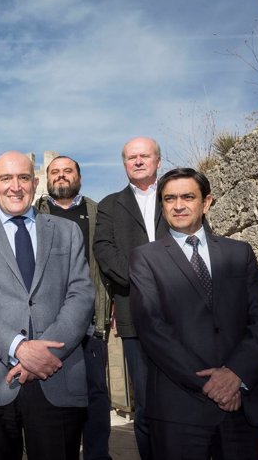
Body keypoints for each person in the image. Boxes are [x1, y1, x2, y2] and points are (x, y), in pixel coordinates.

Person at [0, 151, 95, 460]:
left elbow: (81, 296)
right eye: (6, 178)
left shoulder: (66, 232)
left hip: (56, 377)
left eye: (22, 178)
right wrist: (18, 347)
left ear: (35, 182)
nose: (15, 187)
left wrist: (44, 353)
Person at [129, 168, 258, 459]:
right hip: (179, 409)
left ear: (206, 202)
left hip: (242, 405)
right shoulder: (145, 259)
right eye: (169, 198)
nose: (178, 205)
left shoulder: (239, 253)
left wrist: (236, 375)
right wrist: (214, 385)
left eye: (188, 196)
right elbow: (153, 330)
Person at [92, 136, 169, 460]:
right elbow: (104, 250)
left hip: (184, 311)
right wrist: (144, 278)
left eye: (144, 156)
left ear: (157, 161)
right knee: (147, 404)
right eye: (131, 157)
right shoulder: (110, 205)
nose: (138, 161)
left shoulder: (174, 195)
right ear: (124, 164)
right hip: (135, 314)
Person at [34, 155, 112, 460]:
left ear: (79, 177)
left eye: (68, 171)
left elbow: (105, 263)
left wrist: (110, 304)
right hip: (48, 322)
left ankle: (96, 455)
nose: (62, 176)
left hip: (91, 321)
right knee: (50, 395)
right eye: (55, 172)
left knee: (95, 395)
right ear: (47, 178)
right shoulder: (34, 214)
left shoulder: (96, 211)